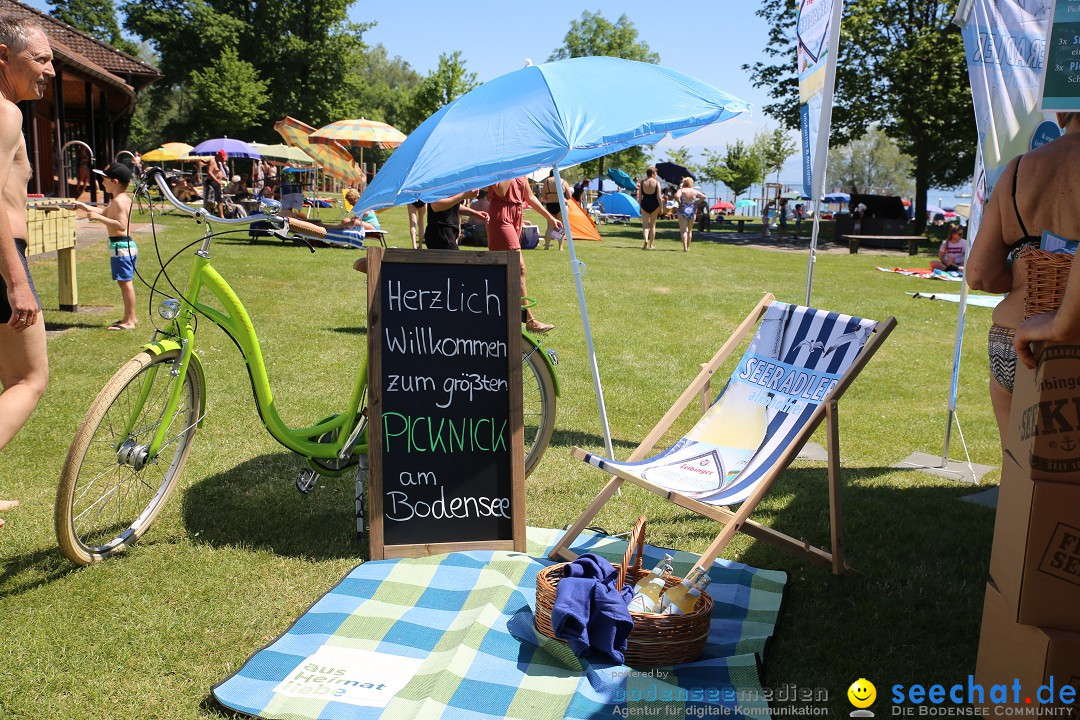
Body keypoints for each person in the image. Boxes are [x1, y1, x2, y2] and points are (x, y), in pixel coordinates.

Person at [967, 112, 1080, 447]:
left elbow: (979, 274)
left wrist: (1024, 274)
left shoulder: (1018, 169)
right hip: (1069, 335)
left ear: (1061, 113)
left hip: (1012, 338)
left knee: (1018, 479)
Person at [0, 15, 54, 529]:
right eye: (40, 59)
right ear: (2, 57)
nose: (51, 70)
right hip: (1, 261)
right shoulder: (6, 112)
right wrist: (17, 281)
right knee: (28, 378)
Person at [486, 175, 561, 333]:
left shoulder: (521, 168)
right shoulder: (501, 165)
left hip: (516, 215)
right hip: (501, 214)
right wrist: (512, 167)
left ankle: (500, 315)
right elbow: (501, 191)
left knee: (505, 269)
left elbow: (530, 196)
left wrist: (550, 218)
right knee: (517, 267)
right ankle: (529, 320)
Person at [77, 163, 137, 330]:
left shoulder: (118, 201)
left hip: (121, 245)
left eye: (105, 180)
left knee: (126, 283)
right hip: (123, 245)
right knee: (124, 282)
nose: (102, 183)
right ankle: (130, 317)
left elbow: (120, 225)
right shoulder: (120, 199)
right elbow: (104, 212)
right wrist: (82, 206)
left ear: (115, 181)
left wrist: (97, 218)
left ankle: (130, 321)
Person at [424, 190, 490, 250]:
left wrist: (475, 213)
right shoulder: (441, 182)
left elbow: (452, 206)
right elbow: (436, 205)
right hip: (440, 233)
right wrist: (464, 195)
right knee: (456, 261)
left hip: (448, 233)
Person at [539, 170, 570, 250]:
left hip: (550, 204)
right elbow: (569, 196)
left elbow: (543, 196)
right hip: (562, 205)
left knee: (549, 227)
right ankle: (560, 247)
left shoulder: (547, 181)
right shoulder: (563, 181)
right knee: (561, 227)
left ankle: (546, 246)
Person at [675, 177, 705, 252]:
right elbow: (703, 197)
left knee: (684, 230)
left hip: (683, 210)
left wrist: (680, 203)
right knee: (690, 230)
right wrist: (696, 202)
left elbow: (676, 196)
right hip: (692, 210)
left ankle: (684, 247)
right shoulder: (694, 191)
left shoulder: (681, 190)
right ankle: (688, 247)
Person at [637, 166, 662, 250]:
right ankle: (651, 244)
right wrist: (661, 207)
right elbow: (659, 197)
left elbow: (640, 197)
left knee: (645, 225)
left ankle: (646, 240)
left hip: (645, 204)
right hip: (655, 204)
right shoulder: (657, 182)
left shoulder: (642, 182)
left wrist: (640, 206)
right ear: (653, 173)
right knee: (653, 225)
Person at [204, 149, 227, 217]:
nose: (223, 159)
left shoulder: (219, 163)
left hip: (217, 183)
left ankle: (221, 216)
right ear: (218, 156)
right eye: (222, 158)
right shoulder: (212, 161)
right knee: (210, 200)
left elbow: (218, 172)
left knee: (220, 200)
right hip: (211, 182)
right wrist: (217, 181)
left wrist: (223, 176)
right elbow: (209, 172)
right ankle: (206, 213)